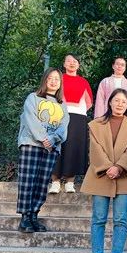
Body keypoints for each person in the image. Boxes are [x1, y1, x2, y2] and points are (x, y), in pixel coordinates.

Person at [81, 88, 127, 253]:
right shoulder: (96, 124)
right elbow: (95, 149)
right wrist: (108, 167)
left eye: (124, 101)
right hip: (101, 175)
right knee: (98, 219)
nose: (120, 104)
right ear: (109, 102)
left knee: (120, 220)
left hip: (124, 176)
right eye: (117, 100)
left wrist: (119, 167)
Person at [16, 68, 69, 233]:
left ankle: (34, 215)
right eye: (50, 78)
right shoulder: (33, 98)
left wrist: (52, 139)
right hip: (31, 144)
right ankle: (25, 217)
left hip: (51, 147)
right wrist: (43, 138)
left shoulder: (62, 104)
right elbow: (29, 119)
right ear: (45, 80)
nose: (53, 81)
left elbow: (63, 126)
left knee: (41, 182)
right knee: (27, 181)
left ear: (60, 84)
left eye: (57, 79)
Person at [49, 54, 93, 194]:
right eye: (68, 61)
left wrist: (76, 110)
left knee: (74, 147)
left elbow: (89, 102)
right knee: (57, 145)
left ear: (78, 65)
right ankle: (55, 182)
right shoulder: (58, 79)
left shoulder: (83, 81)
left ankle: (70, 182)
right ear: (64, 64)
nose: (72, 63)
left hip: (78, 117)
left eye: (75, 61)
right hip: (58, 115)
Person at [94, 56, 127, 120]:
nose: (119, 66)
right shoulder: (105, 81)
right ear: (113, 66)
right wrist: (99, 118)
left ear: (125, 68)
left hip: (125, 116)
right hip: (107, 115)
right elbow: (100, 101)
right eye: (117, 64)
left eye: (122, 65)